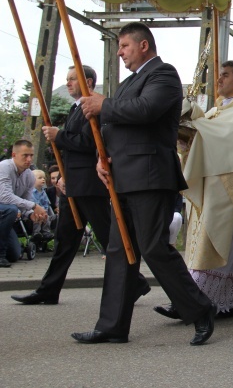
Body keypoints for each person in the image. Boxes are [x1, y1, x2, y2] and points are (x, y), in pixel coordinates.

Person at [75, 22, 214, 345]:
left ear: (143, 46)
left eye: (124, 46)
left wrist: (103, 104)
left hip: (151, 175)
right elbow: (112, 127)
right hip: (122, 175)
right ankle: (112, 325)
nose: (120, 52)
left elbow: (146, 110)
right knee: (119, 251)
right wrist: (102, 156)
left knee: (153, 248)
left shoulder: (164, 75)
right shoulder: (126, 84)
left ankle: (200, 309)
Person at [12, 65, 150, 306]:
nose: (68, 83)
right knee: (64, 241)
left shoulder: (92, 109)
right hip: (73, 184)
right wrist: (63, 174)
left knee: (109, 237)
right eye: (66, 79)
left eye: (72, 79)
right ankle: (48, 289)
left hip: (88, 184)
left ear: (87, 81)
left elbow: (91, 142)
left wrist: (60, 136)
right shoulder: (75, 108)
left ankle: (135, 281)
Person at [162, 59, 233, 319]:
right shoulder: (218, 110)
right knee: (222, 246)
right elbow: (206, 134)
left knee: (219, 243)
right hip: (214, 185)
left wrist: (197, 124)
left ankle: (193, 302)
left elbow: (226, 137)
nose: (219, 80)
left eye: (225, 75)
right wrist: (187, 127)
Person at [0, 140, 48, 268]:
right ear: (14, 155)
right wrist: (33, 206)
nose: (29, 159)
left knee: (15, 255)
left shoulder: (29, 176)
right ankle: (0, 254)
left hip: (5, 215)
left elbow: (23, 203)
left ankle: (6, 250)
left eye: (31, 155)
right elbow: (4, 196)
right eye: (25, 155)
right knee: (10, 209)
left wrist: (31, 214)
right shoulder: (4, 167)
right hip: (4, 209)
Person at [31, 169, 56, 243]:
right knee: (37, 218)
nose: (43, 180)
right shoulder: (31, 191)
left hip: (43, 211)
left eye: (44, 178)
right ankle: (36, 233)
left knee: (47, 218)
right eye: (40, 178)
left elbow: (46, 202)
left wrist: (45, 211)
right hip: (34, 211)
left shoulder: (43, 192)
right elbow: (34, 203)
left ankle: (46, 232)